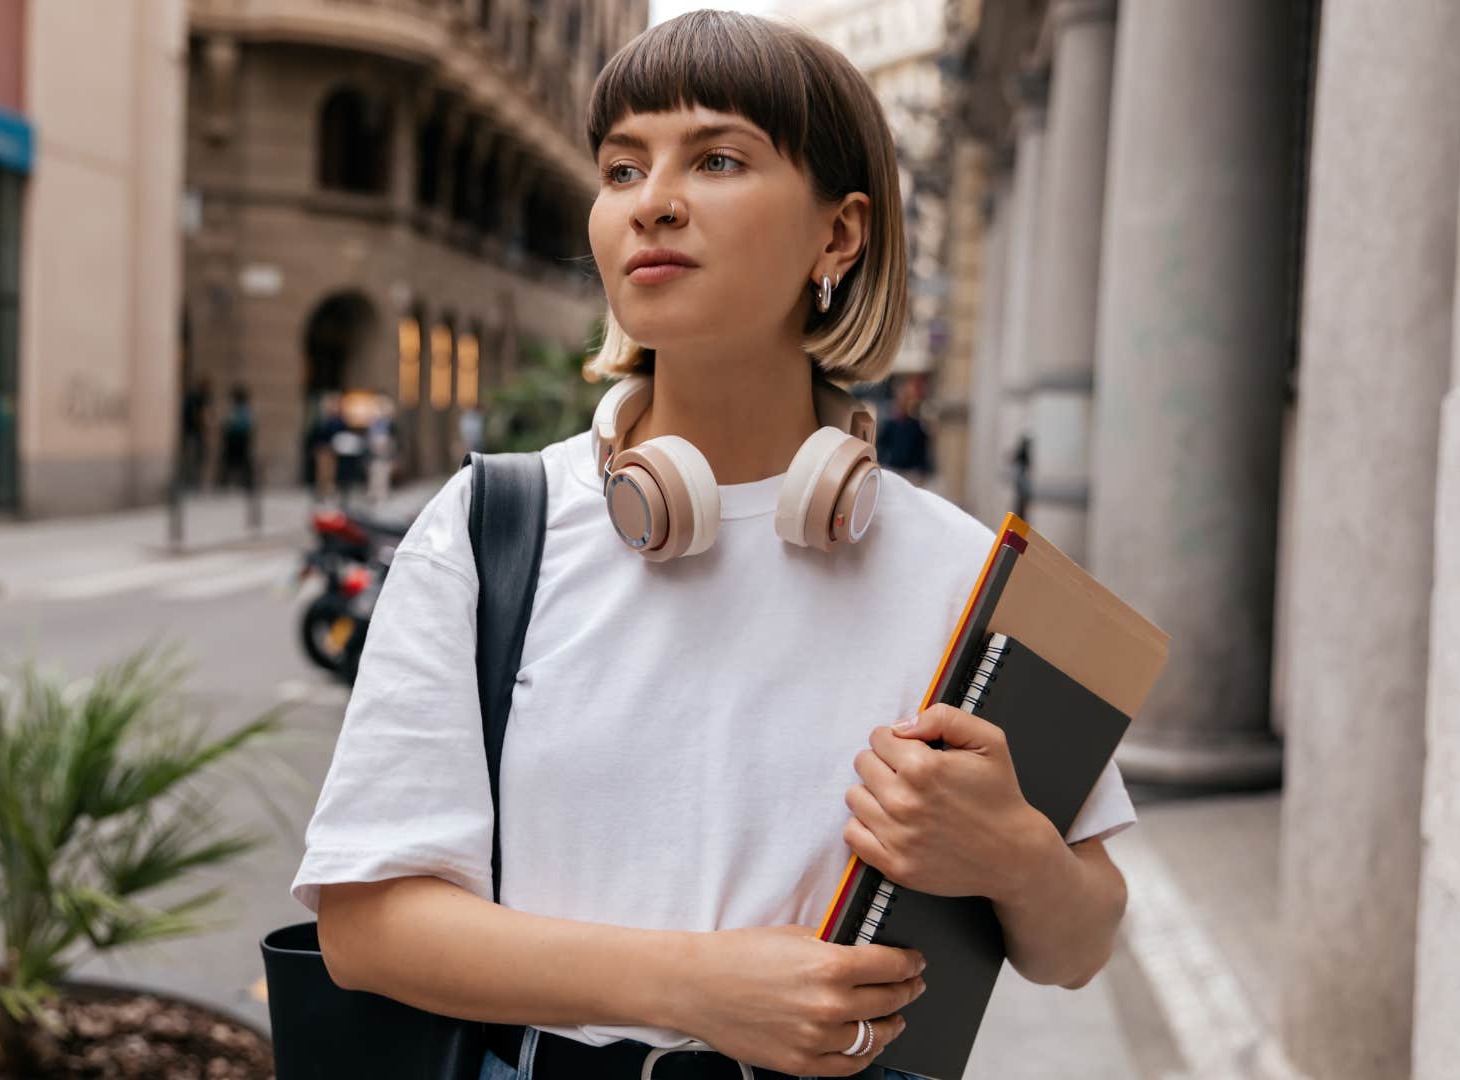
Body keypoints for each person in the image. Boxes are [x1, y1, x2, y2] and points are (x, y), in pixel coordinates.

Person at [293, 12, 1135, 1080]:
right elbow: (367, 926)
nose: (653, 200)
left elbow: (1082, 943)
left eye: (719, 158)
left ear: (840, 235)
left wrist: (1014, 853)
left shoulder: (970, 570)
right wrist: (698, 987)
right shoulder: (490, 528)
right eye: (622, 167)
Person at [875, 372, 933, 486]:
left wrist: (923, 471)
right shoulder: (890, 424)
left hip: (911, 473)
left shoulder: (916, 426)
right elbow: (881, 446)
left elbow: (922, 452)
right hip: (893, 469)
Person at [219, 385, 255, 492]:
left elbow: (232, 424)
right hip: (240, 440)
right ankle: (237, 482)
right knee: (239, 462)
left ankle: (233, 482)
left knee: (234, 462)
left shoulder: (239, 410)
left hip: (236, 440)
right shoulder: (243, 410)